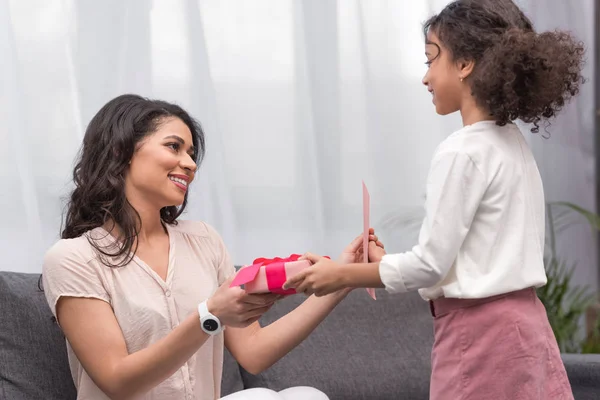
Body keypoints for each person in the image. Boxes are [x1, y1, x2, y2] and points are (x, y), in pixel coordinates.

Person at [282, 1, 585, 398]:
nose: (425, 77)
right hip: (524, 327)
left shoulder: (462, 151)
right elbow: (471, 258)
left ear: (465, 64)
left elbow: (429, 265)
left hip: (481, 337)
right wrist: (383, 264)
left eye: (430, 60)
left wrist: (340, 276)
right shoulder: (511, 143)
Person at [42, 93, 384, 400]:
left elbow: (253, 351)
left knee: (306, 396)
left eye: (191, 154)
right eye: (174, 147)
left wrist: (343, 279)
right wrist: (210, 315)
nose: (190, 164)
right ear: (121, 151)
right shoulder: (74, 259)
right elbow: (118, 381)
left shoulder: (203, 240)